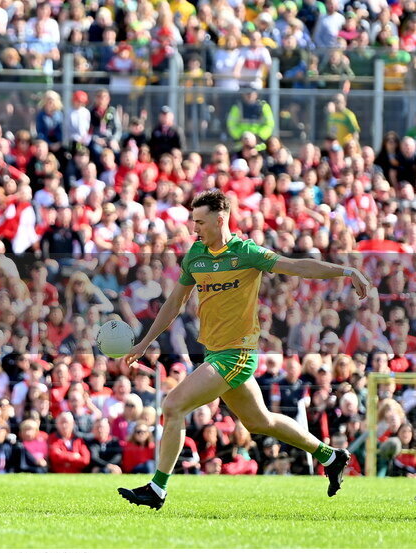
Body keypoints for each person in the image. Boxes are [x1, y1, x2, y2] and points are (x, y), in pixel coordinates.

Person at [118, 189, 372, 510]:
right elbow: (175, 303)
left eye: (200, 222)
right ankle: (330, 456)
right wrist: (145, 342)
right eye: (193, 222)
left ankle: (157, 489)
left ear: (220, 219)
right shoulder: (195, 255)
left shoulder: (246, 252)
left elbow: (297, 266)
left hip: (237, 353)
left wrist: (348, 271)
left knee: (173, 406)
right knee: (260, 422)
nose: (194, 228)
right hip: (215, 352)